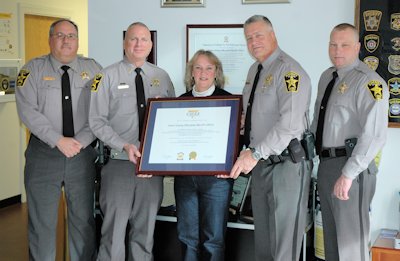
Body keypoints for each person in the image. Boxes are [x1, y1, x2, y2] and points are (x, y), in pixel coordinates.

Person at [15, 19, 102, 260]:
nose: (66, 40)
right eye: (60, 35)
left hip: (81, 154)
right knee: (42, 222)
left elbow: (101, 110)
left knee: (83, 221)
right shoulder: (32, 70)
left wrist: (82, 140)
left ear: (78, 39)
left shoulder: (94, 69)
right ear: (50, 39)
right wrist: (58, 140)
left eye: (71, 36)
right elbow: (27, 112)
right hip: (44, 154)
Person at [89, 22, 175, 261]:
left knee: (145, 232)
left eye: (144, 39)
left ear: (151, 44)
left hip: (151, 169)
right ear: (124, 43)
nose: (138, 44)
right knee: (113, 233)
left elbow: (172, 118)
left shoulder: (162, 77)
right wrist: (124, 145)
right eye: (133, 39)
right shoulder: (105, 76)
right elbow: (96, 122)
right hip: (118, 165)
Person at [229, 15, 312, 261]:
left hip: (285, 166)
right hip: (261, 165)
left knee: (283, 245)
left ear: (273, 35)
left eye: (258, 35)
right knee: (263, 242)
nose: (254, 42)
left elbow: (289, 124)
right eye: (249, 38)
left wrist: (253, 154)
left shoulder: (289, 71)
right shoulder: (255, 69)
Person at [310, 23, 388, 261]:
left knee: (351, 246)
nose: (337, 50)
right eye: (333, 44)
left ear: (357, 47)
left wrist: (348, 174)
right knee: (332, 243)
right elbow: (318, 121)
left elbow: (374, 135)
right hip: (327, 165)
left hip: (352, 168)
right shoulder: (327, 77)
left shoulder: (370, 82)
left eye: (344, 44)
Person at [174, 50, 233, 261]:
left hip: (217, 181)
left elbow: (236, 142)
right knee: (187, 237)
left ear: (216, 72)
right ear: (191, 73)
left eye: (209, 68)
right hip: (185, 179)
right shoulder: (179, 102)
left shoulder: (230, 101)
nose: (203, 72)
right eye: (198, 67)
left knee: (213, 240)